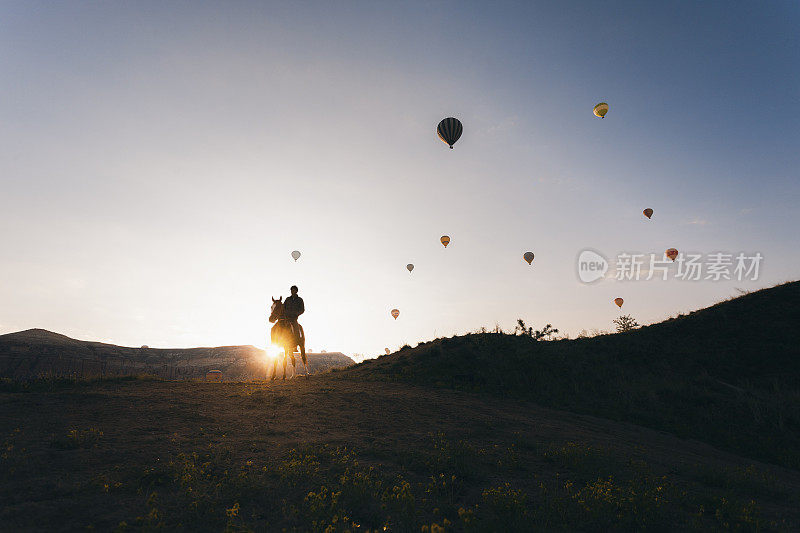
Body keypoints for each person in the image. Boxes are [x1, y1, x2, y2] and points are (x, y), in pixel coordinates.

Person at [283, 285, 306, 362]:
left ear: (296, 291)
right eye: (291, 290)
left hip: (294, 319)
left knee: (296, 328)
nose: (292, 291)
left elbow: (302, 309)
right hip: (286, 318)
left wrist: (296, 313)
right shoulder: (287, 299)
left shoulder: (299, 300)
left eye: (293, 290)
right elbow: (283, 307)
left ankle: (296, 344)